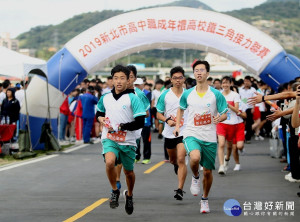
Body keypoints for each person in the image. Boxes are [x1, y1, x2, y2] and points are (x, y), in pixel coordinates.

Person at [173, 60, 228, 213]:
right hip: (191, 133)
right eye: (196, 70)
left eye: (202, 70)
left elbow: (225, 113)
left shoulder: (216, 94)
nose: (199, 72)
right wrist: (178, 126)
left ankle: (204, 199)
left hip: (209, 136)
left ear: (207, 73)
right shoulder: (187, 93)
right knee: (195, 158)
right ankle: (196, 176)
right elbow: (181, 109)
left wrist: (219, 118)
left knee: (209, 172)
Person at [96, 65, 146, 215]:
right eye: (115, 78)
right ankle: (114, 190)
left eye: (122, 78)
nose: (118, 81)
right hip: (109, 138)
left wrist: (121, 126)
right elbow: (99, 112)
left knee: (128, 172)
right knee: (110, 162)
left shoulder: (133, 98)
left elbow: (140, 122)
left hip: (128, 140)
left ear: (128, 80)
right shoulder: (105, 97)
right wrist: (100, 119)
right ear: (112, 80)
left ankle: (129, 195)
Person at [156, 66, 188, 200]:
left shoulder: (189, 94)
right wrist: (167, 120)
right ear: (171, 79)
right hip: (169, 133)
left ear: (184, 79)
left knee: (181, 159)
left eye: (180, 78)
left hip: (185, 131)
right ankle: (175, 165)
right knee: (173, 160)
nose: (178, 80)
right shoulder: (165, 95)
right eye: (175, 78)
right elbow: (158, 113)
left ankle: (180, 189)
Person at [216, 76, 242, 174]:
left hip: (232, 123)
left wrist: (228, 106)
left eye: (227, 83)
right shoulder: (219, 95)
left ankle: (227, 159)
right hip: (221, 123)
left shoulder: (235, 95)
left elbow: (237, 110)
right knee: (221, 144)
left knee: (229, 146)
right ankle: (221, 166)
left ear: (231, 84)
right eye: (223, 83)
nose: (225, 85)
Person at [134, 77, 152, 164]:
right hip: (136, 121)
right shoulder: (132, 93)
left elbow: (146, 105)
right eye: (135, 85)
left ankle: (147, 157)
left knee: (146, 141)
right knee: (136, 140)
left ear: (143, 85)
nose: (136, 87)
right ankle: (137, 156)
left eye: (138, 85)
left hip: (146, 121)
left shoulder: (147, 93)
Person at [239, 76, 256, 143]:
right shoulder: (240, 89)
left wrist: (253, 107)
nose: (246, 83)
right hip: (242, 108)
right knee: (242, 122)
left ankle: (248, 138)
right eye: (245, 81)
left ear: (250, 82)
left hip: (249, 108)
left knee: (249, 123)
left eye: (248, 81)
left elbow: (254, 99)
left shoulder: (253, 90)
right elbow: (239, 97)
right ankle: (241, 137)